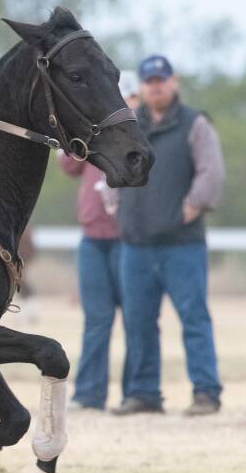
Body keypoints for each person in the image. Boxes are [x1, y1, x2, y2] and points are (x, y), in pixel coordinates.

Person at [113, 54, 226, 417]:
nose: (155, 86)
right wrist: (119, 208)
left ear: (172, 82)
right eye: (149, 81)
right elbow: (112, 168)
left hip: (182, 244)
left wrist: (188, 210)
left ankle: (206, 392)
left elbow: (212, 173)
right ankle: (144, 393)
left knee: (194, 318)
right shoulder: (128, 123)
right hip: (136, 244)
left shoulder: (195, 124)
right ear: (142, 87)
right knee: (138, 321)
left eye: (161, 80)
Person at [58, 72, 139, 411]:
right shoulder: (94, 132)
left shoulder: (140, 135)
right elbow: (67, 165)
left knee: (135, 318)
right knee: (96, 319)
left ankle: (136, 392)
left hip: (128, 239)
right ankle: (89, 393)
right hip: (93, 237)